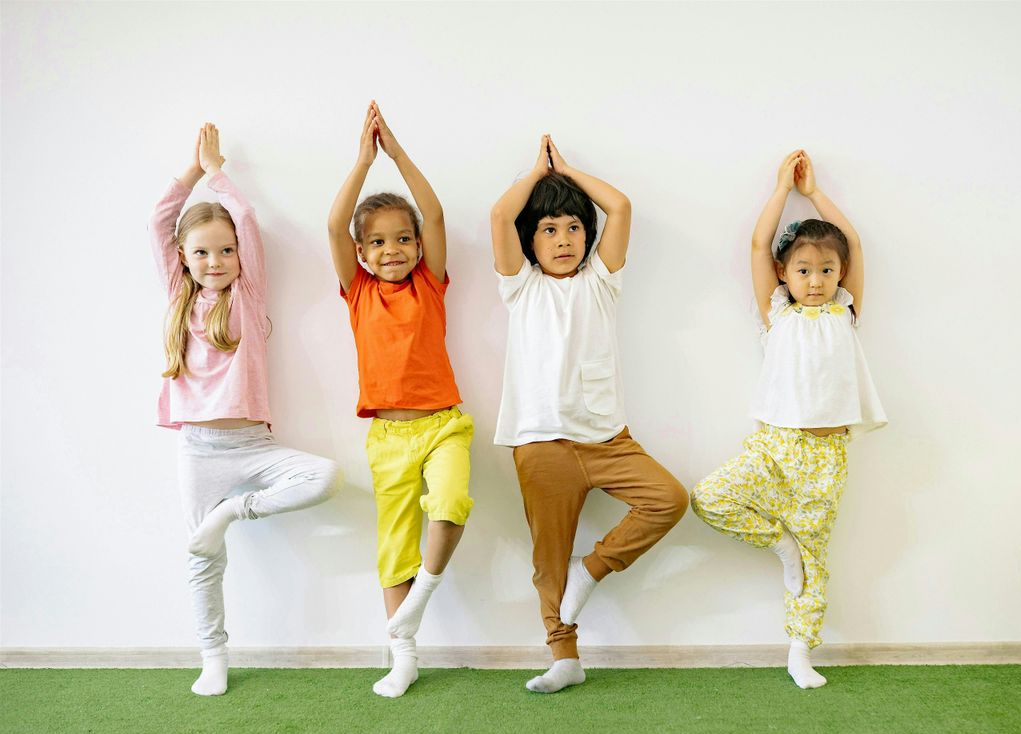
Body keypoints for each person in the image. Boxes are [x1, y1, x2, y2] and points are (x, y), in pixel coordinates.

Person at [490, 135, 688, 694]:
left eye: (574, 227)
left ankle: (591, 571)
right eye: (549, 229)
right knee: (547, 559)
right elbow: (500, 214)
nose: (564, 239)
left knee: (669, 498)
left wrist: (569, 171)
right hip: (541, 443)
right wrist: (537, 173)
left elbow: (620, 206)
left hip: (607, 439)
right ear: (530, 241)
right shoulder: (519, 287)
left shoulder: (602, 281)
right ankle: (565, 657)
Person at [152, 124, 342, 696]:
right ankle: (214, 656)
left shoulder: (250, 293)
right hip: (199, 450)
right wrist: (189, 173)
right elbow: (157, 222)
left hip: (255, 449)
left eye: (227, 250)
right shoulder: (178, 296)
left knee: (326, 477)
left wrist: (217, 172)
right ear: (183, 258)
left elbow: (248, 221)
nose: (217, 261)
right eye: (203, 252)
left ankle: (233, 513)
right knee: (201, 558)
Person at [691, 150, 886, 689]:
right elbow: (757, 246)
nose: (817, 279)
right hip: (775, 445)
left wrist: (818, 193)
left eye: (827, 269)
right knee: (710, 498)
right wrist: (783, 188)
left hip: (827, 455)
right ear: (785, 273)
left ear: (840, 273)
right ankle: (782, 545)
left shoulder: (845, 311)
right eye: (804, 270)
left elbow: (858, 244)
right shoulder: (778, 314)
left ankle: (800, 651)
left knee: (817, 557)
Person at [327, 103, 473, 698]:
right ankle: (403, 652)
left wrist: (398, 154)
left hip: (443, 425)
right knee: (393, 545)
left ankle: (425, 595)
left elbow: (434, 213)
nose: (393, 249)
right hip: (386, 437)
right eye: (379, 242)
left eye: (403, 238)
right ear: (363, 252)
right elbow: (335, 227)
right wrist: (363, 161)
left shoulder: (429, 284)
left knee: (453, 499)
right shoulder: (358, 292)